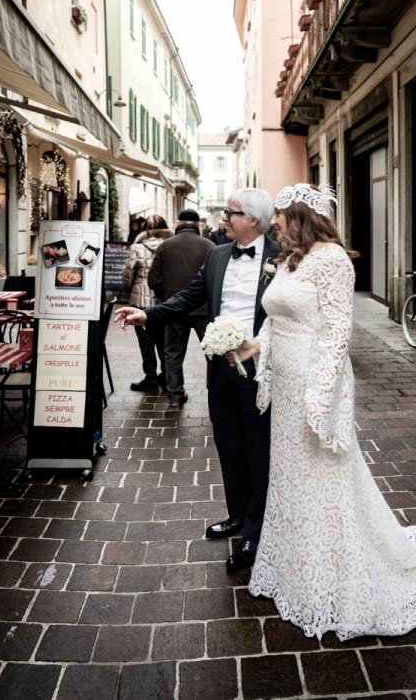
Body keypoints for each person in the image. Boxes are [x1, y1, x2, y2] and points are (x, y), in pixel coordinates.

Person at [231, 183, 416, 641]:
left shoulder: (334, 260)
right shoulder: (290, 260)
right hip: (282, 385)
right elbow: (277, 319)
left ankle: (336, 582)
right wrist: (253, 345)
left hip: (312, 384)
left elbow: (338, 333)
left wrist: (319, 401)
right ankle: (294, 570)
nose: (273, 223)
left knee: (323, 478)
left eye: (280, 214)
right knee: (291, 479)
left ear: (299, 214)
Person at [115, 189, 278, 573]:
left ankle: (255, 529)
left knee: (258, 447)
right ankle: (237, 513)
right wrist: (148, 314)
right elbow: (189, 296)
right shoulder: (217, 254)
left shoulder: (281, 257)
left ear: (252, 220)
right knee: (227, 440)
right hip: (220, 366)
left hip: (261, 365)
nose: (224, 218)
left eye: (231, 212)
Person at [148, 209, 213, 409]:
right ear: (198, 225)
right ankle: (216, 395)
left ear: (178, 223)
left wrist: (168, 297)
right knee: (213, 354)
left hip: (174, 309)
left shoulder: (165, 246)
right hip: (204, 309)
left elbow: (153, 280)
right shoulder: (210, 247)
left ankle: (175, 396)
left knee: (173, 354)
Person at [121, 214, 173, 392]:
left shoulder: (136, 248)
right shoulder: (170, 247)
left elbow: (128, 277)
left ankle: (150, 378)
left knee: (146, 341)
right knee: (163, 341)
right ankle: (166, 377)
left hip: (140, 301)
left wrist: (131, 288)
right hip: (163, 302)